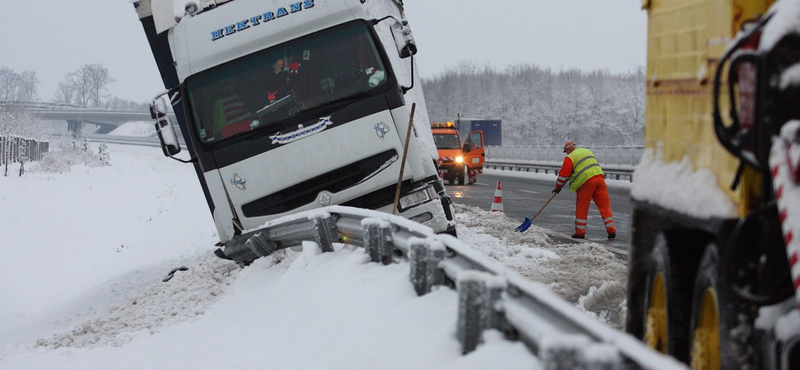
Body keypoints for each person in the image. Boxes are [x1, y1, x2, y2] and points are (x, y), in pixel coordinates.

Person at [552, 141, 617, 239]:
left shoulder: (570, 158)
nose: (566, 153)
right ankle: (611, 230)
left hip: (586, 182)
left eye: (566, 151)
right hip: (599, 178)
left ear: (569, 149)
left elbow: (563, 176)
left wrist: (558, 188)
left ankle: (580, 233)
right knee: (604, 206)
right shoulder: (587, 151)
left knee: (582, 208)